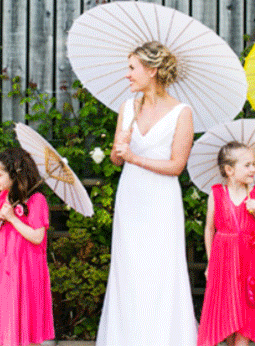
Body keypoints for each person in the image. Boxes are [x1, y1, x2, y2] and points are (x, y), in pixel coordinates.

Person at [96, 41, 198, 346]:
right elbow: (117, 158)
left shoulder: (182, 112)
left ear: (151, 70)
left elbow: (177, 165)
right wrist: (119, 147)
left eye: (132, 68)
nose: (127, 75)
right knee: (129, 267)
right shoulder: (127, 108)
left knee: (161, 267)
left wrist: (133, 157)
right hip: (131, 196)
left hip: (162, 200)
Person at [197, 142, 255, 346]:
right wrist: (210, 261)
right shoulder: (217, 193)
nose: (253, 169)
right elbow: (209, 228)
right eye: (247, 165)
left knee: (247, 314)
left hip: (249, 261)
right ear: (229, 170)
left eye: (254, 164)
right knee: (228, 313)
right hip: (224, 261)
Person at [0, 147, 55, 346]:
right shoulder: (2, 198)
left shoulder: (36, 200)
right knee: (7, 315)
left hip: (27, 269)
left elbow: (37, 236)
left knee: (27, 318)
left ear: (15, 175)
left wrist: (13, 219)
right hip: (6, 267)